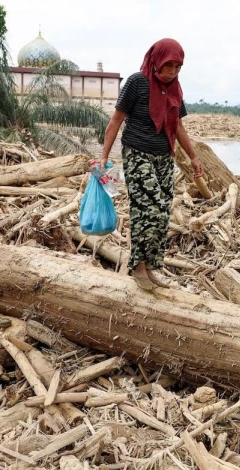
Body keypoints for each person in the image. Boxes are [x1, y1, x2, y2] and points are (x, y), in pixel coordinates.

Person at [99, 38, 203, 290]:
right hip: (137, 154)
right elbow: (116, 120)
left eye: (178, 67)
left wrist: (194, 156)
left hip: (164, 158)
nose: (172, 72)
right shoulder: (137, 82)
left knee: (162, 212)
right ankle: (137, 267)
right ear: (157, 60)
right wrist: (104, 156)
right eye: (169, 66)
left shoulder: (175, 89)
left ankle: (150, 265)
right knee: (147, 208)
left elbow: (178, 125)